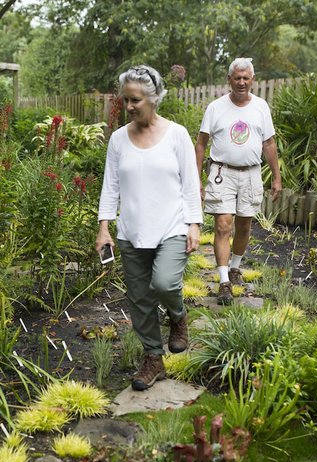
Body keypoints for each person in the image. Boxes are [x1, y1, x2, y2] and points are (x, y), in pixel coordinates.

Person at [96, 65, 203, 392]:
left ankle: (178, 314)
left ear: (154, 98)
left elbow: (190, 183)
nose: (129, 106)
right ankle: (153, 359)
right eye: (126, 99)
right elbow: (110, 187)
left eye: (136, 100)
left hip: (171, 228)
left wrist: (194, 224)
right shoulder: (118, 140)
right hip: (131, 233)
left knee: (165, 282)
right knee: (140, 299)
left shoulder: (177, 134)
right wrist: (104, 228)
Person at [195, 57, 282, 305]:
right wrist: (197, 178)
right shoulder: (216, 108)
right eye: (237, 78)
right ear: (229, 80)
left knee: (244, 225)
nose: (241, 82)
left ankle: (235, 267)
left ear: (252, 79)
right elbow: (201, 143)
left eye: (246, 78)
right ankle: (223, 282)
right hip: (223, 173)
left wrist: (276, 177)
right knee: (223, 226)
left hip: (252, 173)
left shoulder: (261, 107)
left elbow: (269, 143)